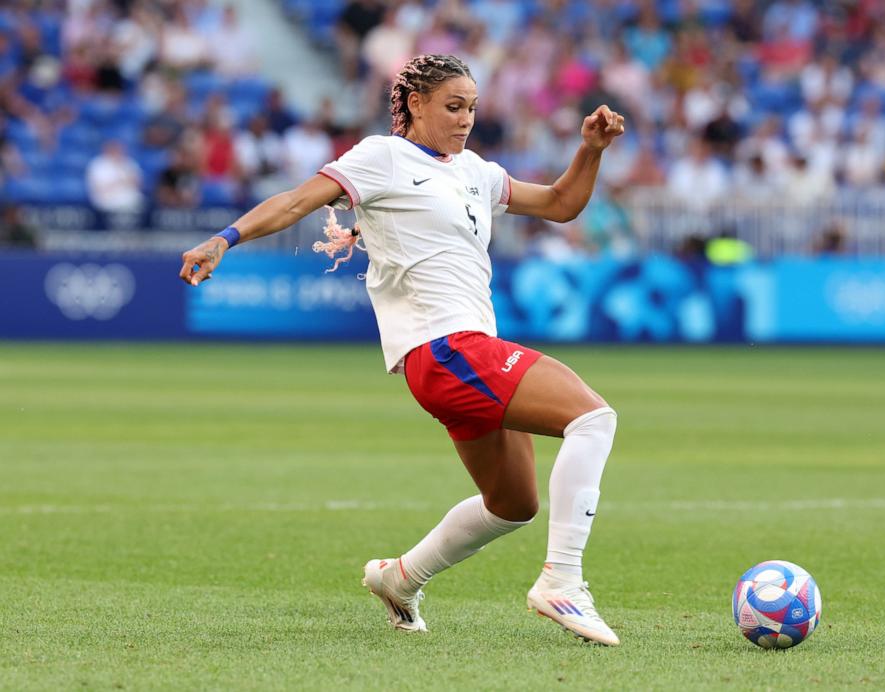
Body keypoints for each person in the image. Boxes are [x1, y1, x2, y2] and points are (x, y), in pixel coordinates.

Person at [178, 54, 626, 646]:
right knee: (592, 417)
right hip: (445, 349)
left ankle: (400, 578)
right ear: (416, 104)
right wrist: (224, 238)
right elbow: (296, 201)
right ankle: (562, 580)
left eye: (471, 107)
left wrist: (590, 149)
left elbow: (562, 204)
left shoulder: (475, 172)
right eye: (453, 106)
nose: (466, 119)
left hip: (462, 357)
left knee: (513, 503)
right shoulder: (382, 157)